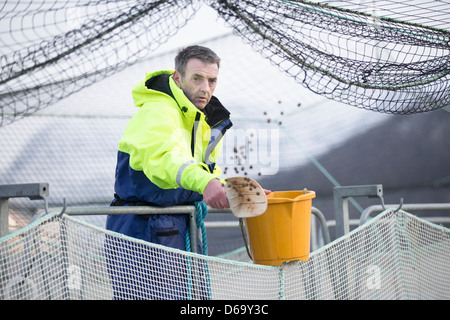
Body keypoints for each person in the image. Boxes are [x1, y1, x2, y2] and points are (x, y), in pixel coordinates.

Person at [105, 45, 233, 299]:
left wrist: (236, 190)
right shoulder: (159, 111)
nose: (205, 88)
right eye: (197, 78)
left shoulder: (204, 120)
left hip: (179, 226)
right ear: (178, 78)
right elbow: (167, 159)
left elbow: (208, 170)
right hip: (143, 229)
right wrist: (206, 184)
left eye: (212, 80)